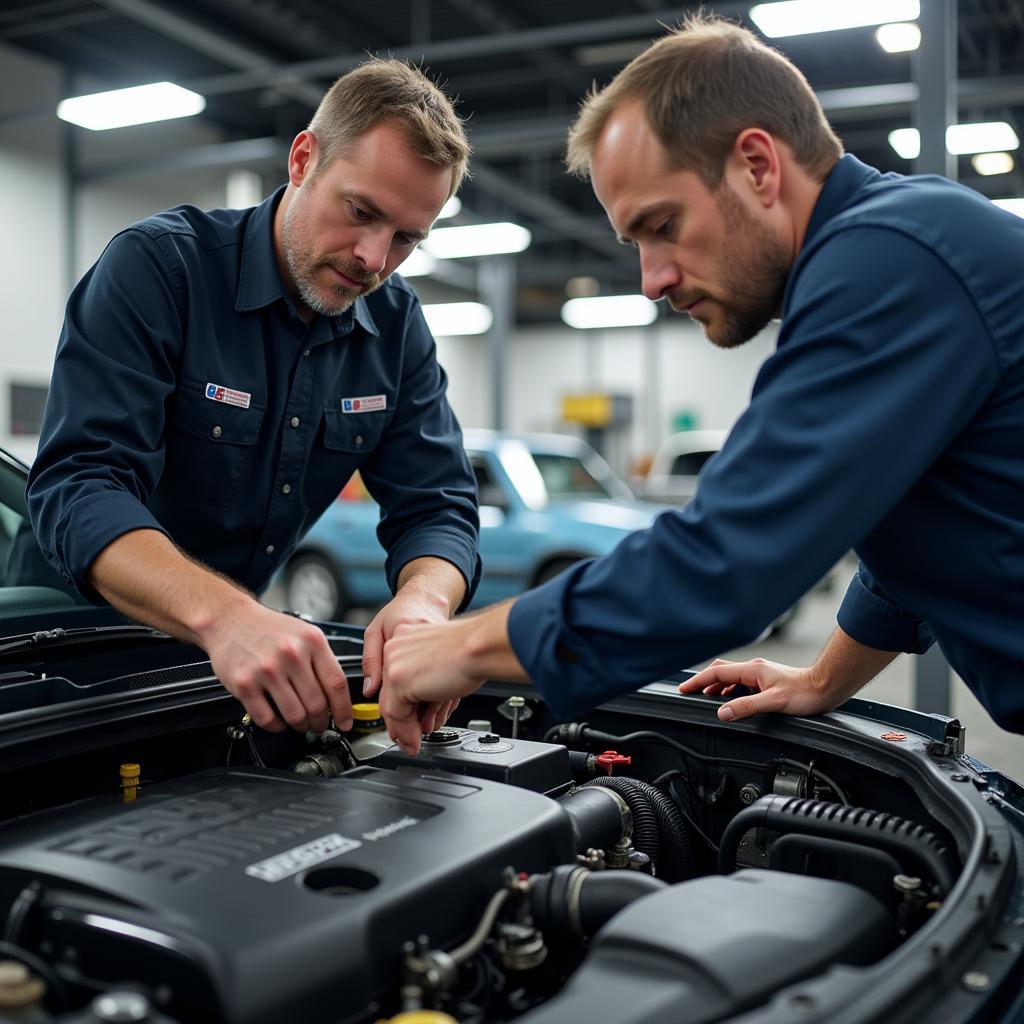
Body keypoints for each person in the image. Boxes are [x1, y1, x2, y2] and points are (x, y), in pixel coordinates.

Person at [374, 14, 1024, 756]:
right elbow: (912, 520)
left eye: (663, 225)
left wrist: (459, 648)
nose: (652, 281)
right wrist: (824, 678)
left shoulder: (892, 263)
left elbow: (723, 564)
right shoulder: (899, 248)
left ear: (757, 165)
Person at [28, 58, 481, 737]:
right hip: (64, 665)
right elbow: (81, 486)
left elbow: (438, 504)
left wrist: (424, 603)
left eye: (406, 238)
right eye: (361, 212)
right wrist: (230, 618)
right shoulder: (159, 271)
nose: (373, 258)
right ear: (304, 159)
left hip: (222, 669)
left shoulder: (395, 327)